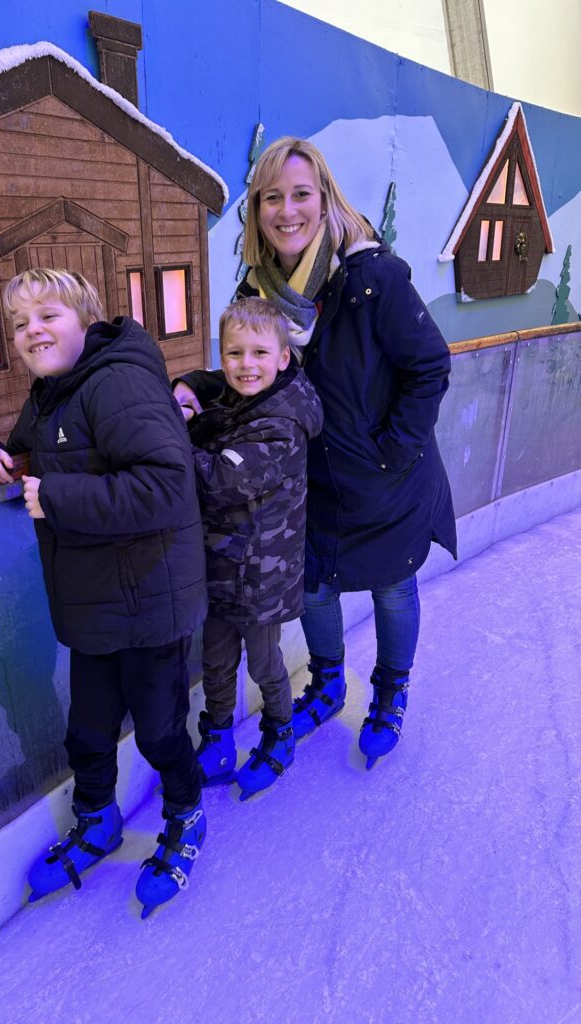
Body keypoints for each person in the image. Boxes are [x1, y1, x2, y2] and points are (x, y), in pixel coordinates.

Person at [176, 136, 457, 770]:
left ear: (324, 199)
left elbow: (430, 366)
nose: (287, 209)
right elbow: (254, 367)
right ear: (256, 210)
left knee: (392, 588)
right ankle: (329, 683)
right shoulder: (258, 288)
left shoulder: (372, 278)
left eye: (301, 194)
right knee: (314, 591)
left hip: (388, 478)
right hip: (313, 481)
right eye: (271, 197)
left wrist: (392, 450)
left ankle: (389, 692)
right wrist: (193, 386)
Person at [0, 268, 207, 918]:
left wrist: (56, 496)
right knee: (89, 731)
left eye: (48, 315)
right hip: (95, 603)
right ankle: (98, 821)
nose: (32, 330)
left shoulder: (117, 380)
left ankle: (186, 812)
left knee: (157, 733)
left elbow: (166, 484)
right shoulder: (49, 394)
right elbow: (28, 454)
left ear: (86, 319)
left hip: (151, 602)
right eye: (19, 324)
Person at [175, 298, 323, 800]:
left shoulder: (280, 423)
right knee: (215, 662)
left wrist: (170, 439)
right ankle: (216, 739)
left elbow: (220, 479)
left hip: (262, 574)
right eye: (234, 354)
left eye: (260, 353)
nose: (245, 365)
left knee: (263, 664)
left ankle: (279, 731)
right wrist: (189, 388)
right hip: (222, 564)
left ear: (283, 358)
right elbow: (216, 403)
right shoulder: (246, 398)